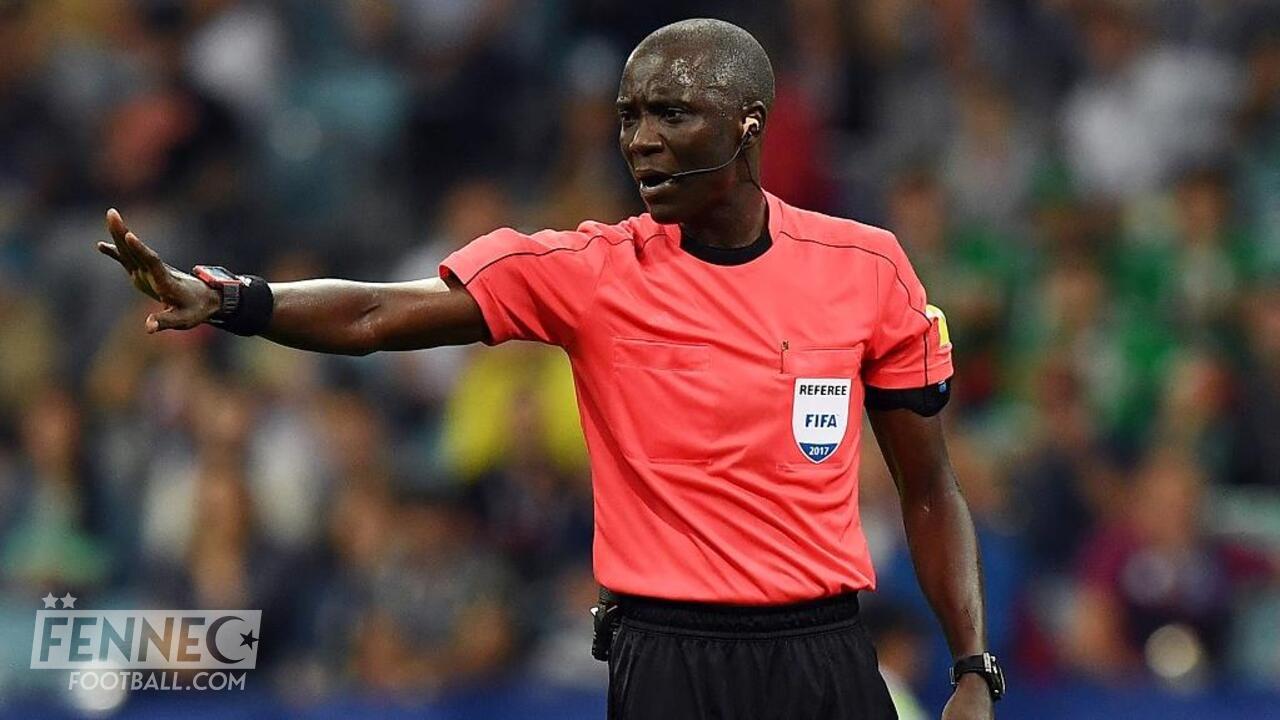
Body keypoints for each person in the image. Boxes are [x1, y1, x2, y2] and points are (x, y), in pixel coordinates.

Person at [98, 18, 1000, 720]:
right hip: (666, 659)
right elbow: (375, 312)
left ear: (748, 125)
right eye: (629, 117)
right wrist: (230, 298)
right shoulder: (590, 271)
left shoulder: (866, 268)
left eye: (671, 114)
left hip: (823, 653)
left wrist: (971, 669)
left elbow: (929, 487)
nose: (640, 140)